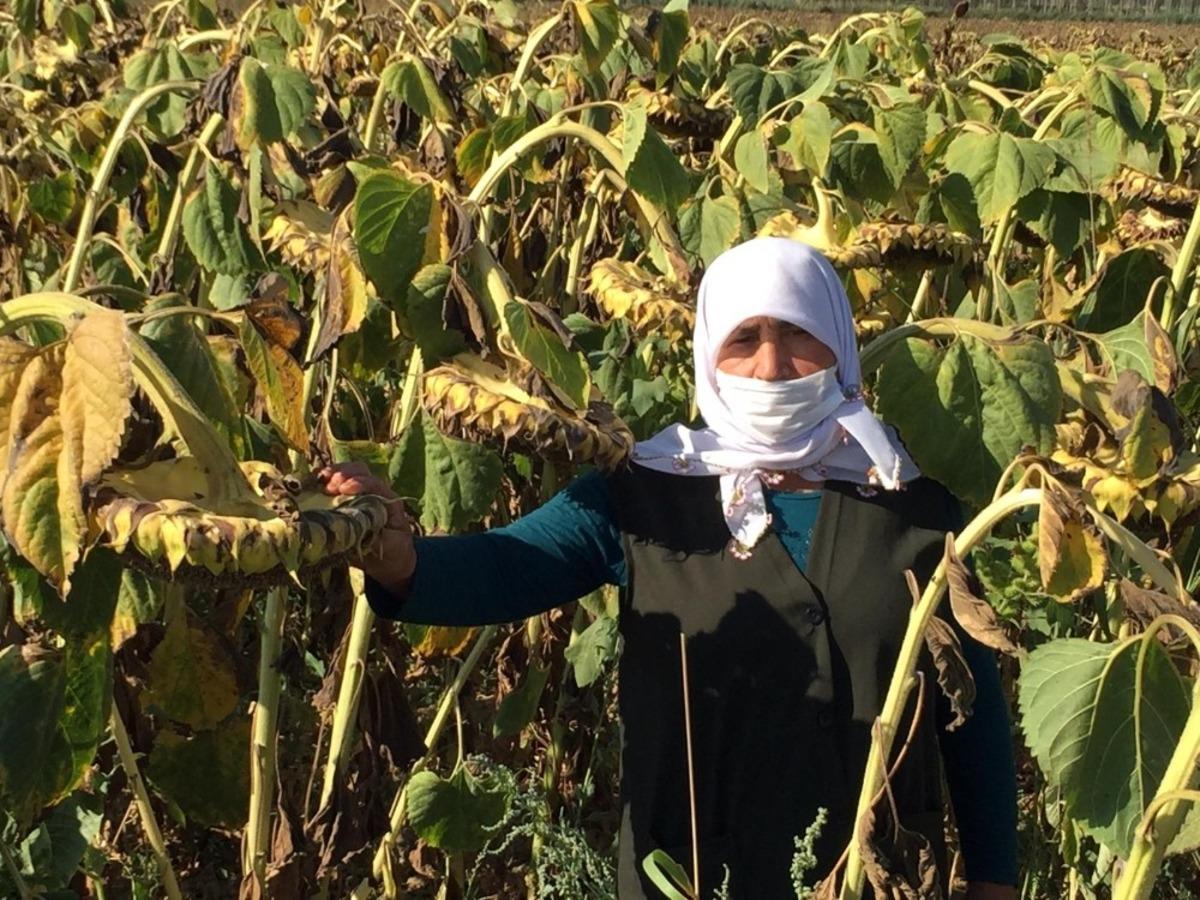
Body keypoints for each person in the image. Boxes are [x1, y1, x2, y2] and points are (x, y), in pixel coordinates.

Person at [320, 238, 1019, 899]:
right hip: (698, 875)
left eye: (798, 334)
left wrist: (995, 879)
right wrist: (398, 555)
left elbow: (972, 709)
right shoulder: (644, 492)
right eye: (744, 339)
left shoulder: (914, 502)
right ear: (707, 354)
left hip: (885, 874)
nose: (772, 364)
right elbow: (508, 566)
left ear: (840, 343)